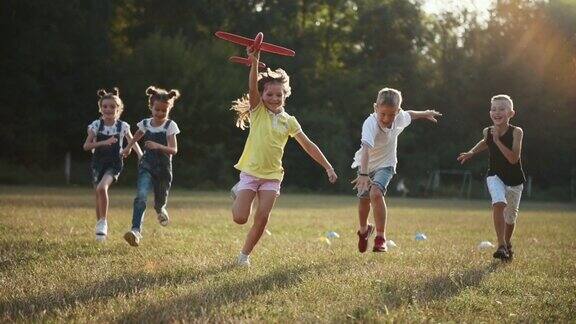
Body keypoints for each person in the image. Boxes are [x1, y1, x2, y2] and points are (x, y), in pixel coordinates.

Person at [230, 48, 338, 266]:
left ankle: (244, 256)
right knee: (240, 218)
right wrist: (255, 62)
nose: (274, 98)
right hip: (251, 172)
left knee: (261, 219)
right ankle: (238, 191)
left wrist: (327, 166)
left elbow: (308, 145)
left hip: (272, 176)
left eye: (279, 95)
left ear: (285, 95)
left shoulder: (290, 121)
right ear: (261, 96)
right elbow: (251, 86)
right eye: (269, 94)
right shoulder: (258, 111)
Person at [352, 87, 441, 253]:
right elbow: (365, 149)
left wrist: (425, 113)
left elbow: (410, 114)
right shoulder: (370, 123)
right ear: (375, 108)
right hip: (366, 165)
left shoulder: (399, 117)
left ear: (397, 111)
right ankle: (364, 230)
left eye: (392, 114)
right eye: (383, 114)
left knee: (376, 193)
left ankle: (380, 237)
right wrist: (363, 174)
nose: (387, 119)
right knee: (364, 201)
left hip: (386, 164)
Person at [458, 94, 525, 260]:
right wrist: (472, 152)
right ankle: (501, 245)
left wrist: (497, 140)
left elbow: (513, 159)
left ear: (511, 113)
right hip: (495, 175)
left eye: (502, 109)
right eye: (494, 109)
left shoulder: (517, 132)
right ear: (490, 113)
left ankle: (507, 244)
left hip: (515, 180)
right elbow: (485, 141)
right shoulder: (488, 131)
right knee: (499, 203)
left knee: (510, 218)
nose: (497, 112)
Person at [121, 86, 181, 247]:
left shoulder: (170, 126)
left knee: (159, 202)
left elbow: (174, 150)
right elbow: (136, 136)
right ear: (151, 107)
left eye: (164, 110)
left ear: (169, 109)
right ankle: (135, 231)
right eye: (157, 110)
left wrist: (157, 145)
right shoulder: (145, 123)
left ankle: (161, 209)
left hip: (163, 168)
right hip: (146, 164)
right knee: (141, 196)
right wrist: (127, 148)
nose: (160, 113)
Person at [83, 88, 142, 241]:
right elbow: (86, 146)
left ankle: (103, 222)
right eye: (105, 106)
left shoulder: (122, 126)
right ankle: (100, 231)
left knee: (102, 188)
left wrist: (140, 155)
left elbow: (132, 141)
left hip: (114, 164)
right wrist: (104, 142)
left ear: (118, 109)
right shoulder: (96, 125)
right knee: (98, 194)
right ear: (100, 108)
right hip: (98, 163)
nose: (108, 109)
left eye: (112, 107)